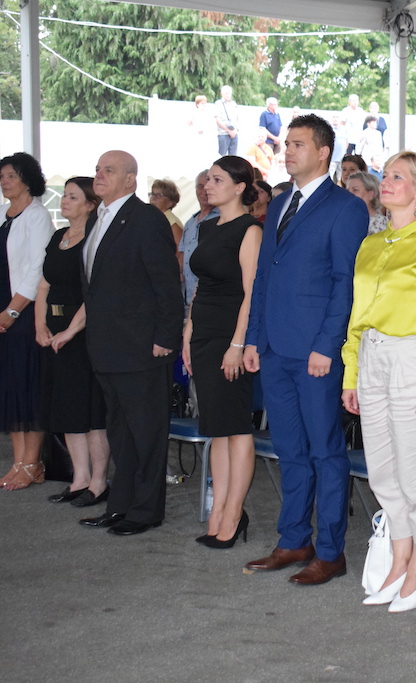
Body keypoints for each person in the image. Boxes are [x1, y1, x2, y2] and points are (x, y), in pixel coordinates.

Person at [242, 114, 368, 584]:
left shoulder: (346, 207)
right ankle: (294, 539)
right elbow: (264, 278)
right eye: (287, 144)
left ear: (323, 152)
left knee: (325, 452)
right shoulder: (279, 203)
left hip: (316, 351)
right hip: (275, 347)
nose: (287, 151)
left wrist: (327, 346)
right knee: (290, 450)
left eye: (297, 144)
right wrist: (253, 338)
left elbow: (344, 283)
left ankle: (331, 552)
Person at [342, 151, 416, 612]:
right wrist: (351, 372)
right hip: (371, 354)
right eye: (385, 175)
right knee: (383, 471)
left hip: (413, 357)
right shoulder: (370, 244)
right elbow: (357, 314)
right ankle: (399, 557)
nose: (386, 182)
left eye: (397, 177)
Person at [78, 150, 183, 535]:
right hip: (107, 346)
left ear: (130, 180)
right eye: (97, 169)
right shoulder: (97, 218)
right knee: (120, 433)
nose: (99, 175)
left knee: (146, 433)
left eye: (109, 170)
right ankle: (120, 505)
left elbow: (167, 283)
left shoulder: (146, 218)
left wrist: (165, 337)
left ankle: (145, 511)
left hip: (142, 347)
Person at [182, 156, 263, 549]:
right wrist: (188, 332)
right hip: (203, 332)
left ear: (239, 187)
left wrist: (237, 344)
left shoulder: (250, 229)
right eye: (207, 179)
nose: (207, 186)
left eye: (216, 180)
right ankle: (218, 511)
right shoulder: (207, 227)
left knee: (235, 426)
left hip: (231, 334)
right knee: (216, 428)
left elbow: (252, 292)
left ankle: (233, 513)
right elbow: (200, 287)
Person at [35, 177, 109, 505]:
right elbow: (43, 285)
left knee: (89, 411)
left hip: (83, 332)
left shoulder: (95, 238)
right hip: (54, 329)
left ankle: (98, 482)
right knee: (66, 408)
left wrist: (70, 332)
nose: (64, 201)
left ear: (91, 204)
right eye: (64, 195)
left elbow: (95, 293)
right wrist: (40, 325)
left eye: (72, 197)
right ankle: (79, 479)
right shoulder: (58, 237)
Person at [0, 153, 54, 490]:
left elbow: (37, 269)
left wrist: (12, 312)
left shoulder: (37, 216)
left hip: (23, 312)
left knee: (28, 388)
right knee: (10, 389)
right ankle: (18, 462)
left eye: (11, 175)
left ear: (28, 179)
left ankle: (33, 463)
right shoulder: (4, 215)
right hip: (4, 311)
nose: (5, 181)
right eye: (2, 176)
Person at [179, 170, 220, 310]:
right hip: (188, 298)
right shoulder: (190, 223)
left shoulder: (222, 220)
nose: (204, 191)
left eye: (208, 186)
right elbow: (182, 255)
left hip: (211, 299)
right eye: (200, 186)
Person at [345, 172, 387, 236]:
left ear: (371, 194)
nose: (349, 194)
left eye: (355, 190)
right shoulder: (345, 219)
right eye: (347, 190)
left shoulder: (382, 225)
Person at [149, 179, 184, 246]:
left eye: (159, 195)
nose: (153, 198)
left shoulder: (172, 223)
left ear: (170, 202)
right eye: (152, 194)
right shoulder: (154, 218)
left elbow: (180, 250)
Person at [214, 85, 240, 156]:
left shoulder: (234, 104)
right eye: (226, 93)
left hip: (234, 133)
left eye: (229, 93)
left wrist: (235, 130)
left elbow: (237, 119)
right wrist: (228, 130)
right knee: (221, 156)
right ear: (221, 94)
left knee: (233, 156)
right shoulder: (218, 103)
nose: (228, 95)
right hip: (223, 134)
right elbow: (217, 119)